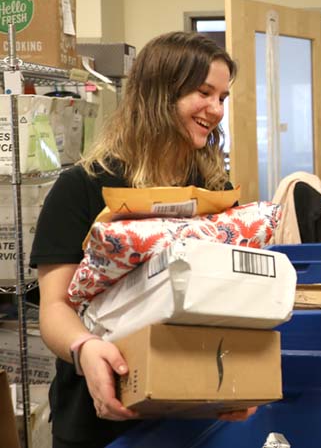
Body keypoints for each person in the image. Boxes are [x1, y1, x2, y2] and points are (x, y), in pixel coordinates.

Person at [30, 31, 252, 448]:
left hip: (194, 416)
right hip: (101, 421)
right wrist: (84, 348)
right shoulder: (82, 188)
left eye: (222, 97)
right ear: (158, 94)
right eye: (204, 92)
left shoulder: (212, 191)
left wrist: (241, 371)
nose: (216, 110)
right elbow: (55, 307)